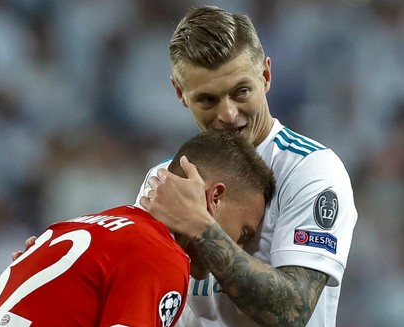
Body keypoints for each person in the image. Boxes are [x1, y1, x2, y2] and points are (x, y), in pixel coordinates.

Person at [138, 5, 358, 327]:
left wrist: (200, 226)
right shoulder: (164, 180)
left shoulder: (311, 171)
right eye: (207, 100)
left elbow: (291, 311)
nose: (228, 114)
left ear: (266, 76)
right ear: (180, 94)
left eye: (241, 92)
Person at [0, 130, 275, 327]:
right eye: (245, 233)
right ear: (215, 198)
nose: (238, 246)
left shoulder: (73, 227)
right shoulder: (159, 255)